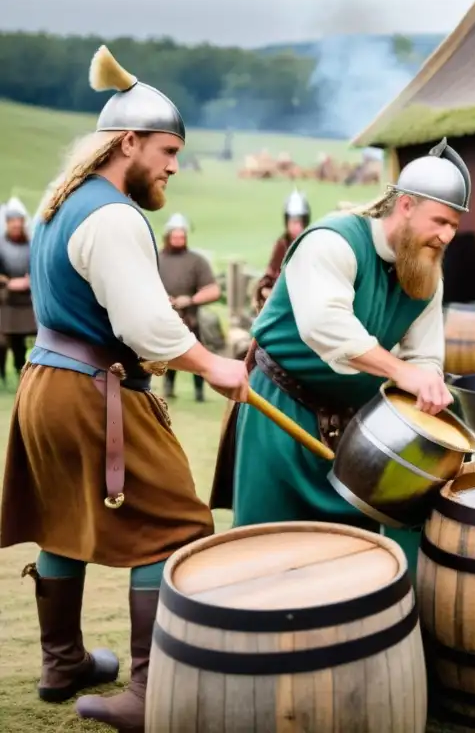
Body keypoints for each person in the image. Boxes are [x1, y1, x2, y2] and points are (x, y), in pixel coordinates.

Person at [0, 45, 249, 732]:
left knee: (60, 518)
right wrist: (215, 365)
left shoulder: (58, 203)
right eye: (167, 150)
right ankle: (147, 692)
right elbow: (146, 326)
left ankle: (63, 662)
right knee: (173, 527)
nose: (173, 166)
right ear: (128, 142)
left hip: (44, 385)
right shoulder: (112, 215)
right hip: (91, 389)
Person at [210, 138, 469, 572]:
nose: (447, 236)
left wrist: (426, 384)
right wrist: (401, 371)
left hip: (360, 432)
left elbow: (425, 356)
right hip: (281, 415)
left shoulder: (427, 274)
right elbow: (326, 328)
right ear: (404, 206)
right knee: (265, 557)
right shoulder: (333, 241)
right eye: (440, 221)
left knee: (353, 563)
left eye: (454, 226)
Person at [157, 212, 221, 401]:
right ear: (168, 236)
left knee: (197, 355)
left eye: (182, 236)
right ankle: (168, 389)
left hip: (190, 319)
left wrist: (191, 299)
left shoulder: (196, 261)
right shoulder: (155, 258)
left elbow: (213, 290)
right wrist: (161, 298)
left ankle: (199, 392)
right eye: (175, 236)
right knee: (167, 355)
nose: (178, 239)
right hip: (164, 318)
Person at [252, 188, 311, 313]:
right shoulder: (282, 245)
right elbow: (269, 279)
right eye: (293, 222)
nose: (296, 226)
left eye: (299, 222)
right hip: (282, 300)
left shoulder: (311, 243)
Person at [0, 197, 35, 380]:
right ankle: (6, 373)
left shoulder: (31, 244)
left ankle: (29, 374)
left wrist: (30, 279)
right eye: (12, 221)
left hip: (29, 300)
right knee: (8, 341)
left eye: (18, 221)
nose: (16, 225)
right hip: (7, 301)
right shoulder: (1, 245)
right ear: (7, 223)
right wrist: (8, 282)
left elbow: (37, 265)